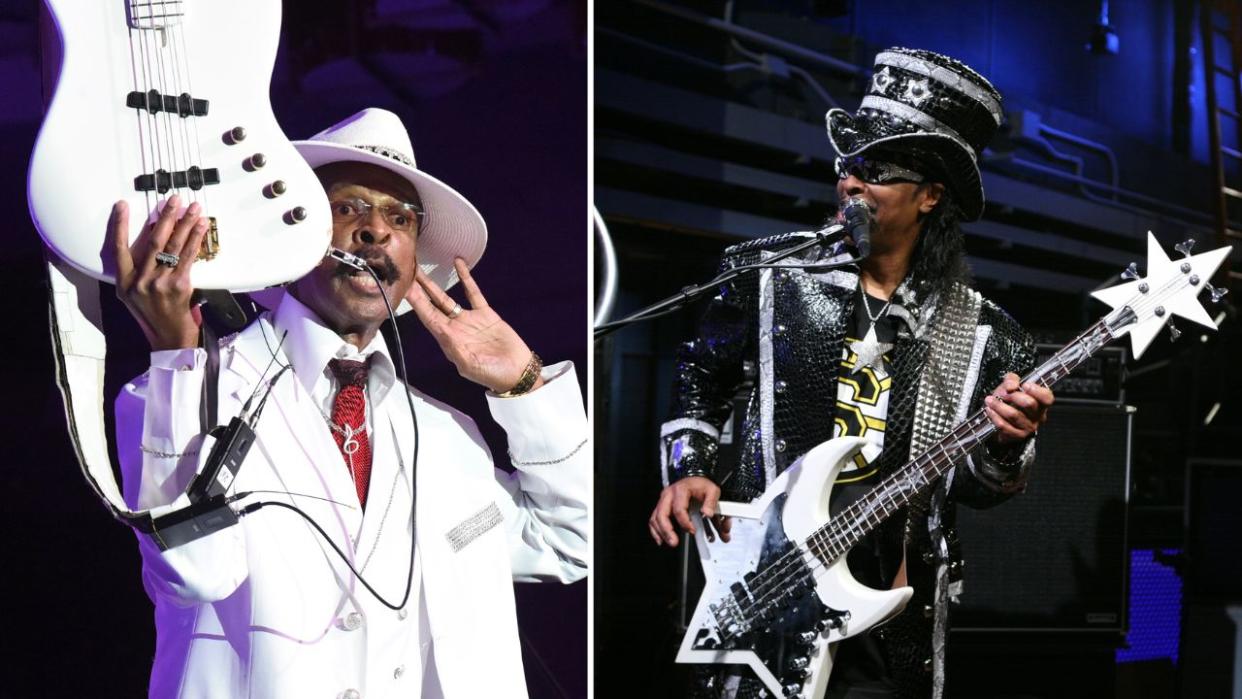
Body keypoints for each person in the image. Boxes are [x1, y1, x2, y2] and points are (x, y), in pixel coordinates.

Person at [111, 108, 588, 698]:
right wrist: (175, 358)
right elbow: (192, 572)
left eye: (399, 217)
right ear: (293, 230)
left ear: (414, 263)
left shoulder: (447, 435)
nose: (376, 231)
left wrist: (524, 386)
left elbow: (568, 542)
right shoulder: (179, 391)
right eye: (347, 208)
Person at [648, 48, 1054, 698]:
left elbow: (976, 485)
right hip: (769, 582)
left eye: (876, 170)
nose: (850, 183)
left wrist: (1008, 442)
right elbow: (699, 372)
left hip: (881, 612)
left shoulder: (983, 330)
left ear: (929, 195)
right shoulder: (770, 274)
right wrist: (688, 464)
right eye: (849, 166)